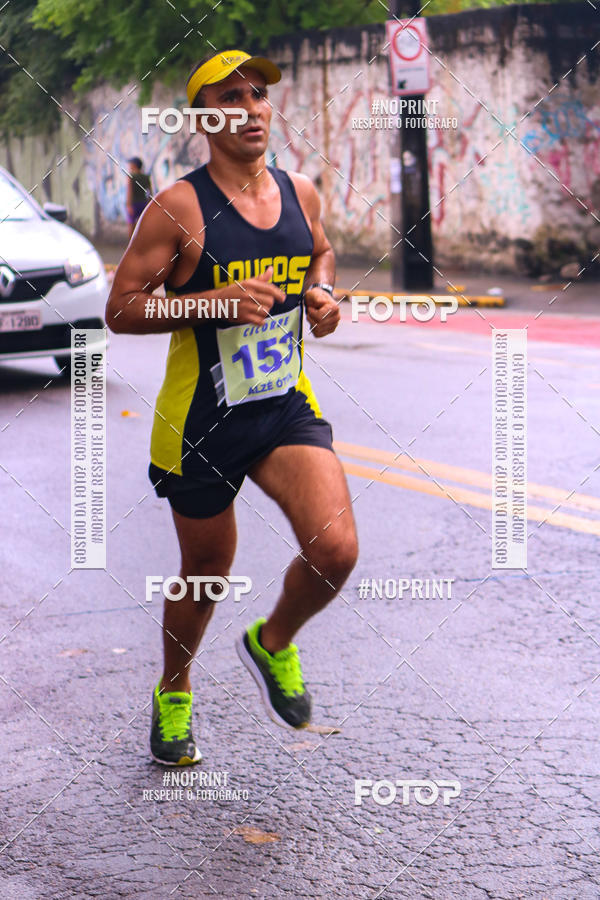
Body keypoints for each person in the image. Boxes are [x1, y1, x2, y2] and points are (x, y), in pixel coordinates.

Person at [106, 50, 358, 766]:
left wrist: (323, 293)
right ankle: (175, 690)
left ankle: (271, 643)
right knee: (207, 574)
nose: (250, 108)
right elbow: (121, 309)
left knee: (336, 549)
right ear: (203, 120)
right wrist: (210, 303)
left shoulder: (300, 192)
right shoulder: (178, 208)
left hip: (282, 404)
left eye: (258, 95)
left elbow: (321, 252)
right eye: (230, 98)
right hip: (201, 422)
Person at [125, 157, 152, 238]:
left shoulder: (131, 176)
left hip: (133, 204)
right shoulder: (146, 177)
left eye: (130, 164)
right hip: (144, 204)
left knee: (131, 225)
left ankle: (131, 243)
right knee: (142, 226)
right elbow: (150, 192)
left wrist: (128, 205)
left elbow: (129, 192)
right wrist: (149, 204)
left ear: (134, 165)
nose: (129, 166)